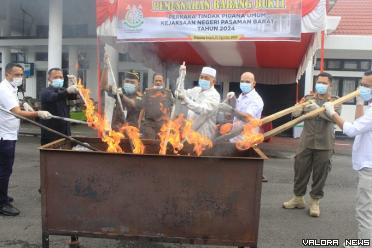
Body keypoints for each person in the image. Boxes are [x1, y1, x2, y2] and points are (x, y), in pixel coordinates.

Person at [282, 72, 341, 217]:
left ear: (330, 85)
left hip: (325, 143)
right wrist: (296, 110)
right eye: (318, 82)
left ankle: (315, 201)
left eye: (324, 83)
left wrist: (317, 110)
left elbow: (333, 119)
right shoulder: (308, 99)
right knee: (300, 170)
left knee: (321, 174)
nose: (320, 85)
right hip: (306, 141)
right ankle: (298, 198)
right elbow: (296, 113)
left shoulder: (336, 101)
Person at [324, 71, 372, 247]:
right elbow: (360, 123)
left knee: (364, 211)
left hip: (369, 168)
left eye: (367, 86)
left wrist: (332, 114)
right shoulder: (370, 107)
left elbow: (351, 130)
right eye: (362, 84)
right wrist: (360, 102)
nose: (362, 88)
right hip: (367, 166)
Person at [0, 63, 51, 216]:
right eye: (16, 74)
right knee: (4, 170)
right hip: (4, 137)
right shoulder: (4, 89)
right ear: (7, 74)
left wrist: (25, 104)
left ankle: (2, 196)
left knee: (4, 169)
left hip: (9, 134)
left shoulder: (11, 88)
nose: (19, 77)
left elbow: (16, 105)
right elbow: (17, 113)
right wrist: (38, 113)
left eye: (21, 74)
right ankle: (2, 203)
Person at [176, 66, 221, 139]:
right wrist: (182, 76)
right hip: (190, 131)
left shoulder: (215, 95)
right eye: (201, 77)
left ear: (214, 81)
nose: (203, 80)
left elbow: (203, 110)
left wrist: (186, 100)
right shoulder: (196, 90)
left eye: (206, 78)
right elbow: (180, 92)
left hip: (204, 134)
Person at [219, 72, 264, 141]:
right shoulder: (241, 96)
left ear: (254, 83)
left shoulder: (256, 99)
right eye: (242, 81)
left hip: (246, 140)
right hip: (235, 137)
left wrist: (230, 109)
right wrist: (232, 101)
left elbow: (247, 117)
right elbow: (234, 115)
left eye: (247, 82)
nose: (244, 84)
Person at [39, 68, 79, 145]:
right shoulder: (45, 92)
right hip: (51, 133)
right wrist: (67, 91)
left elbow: (76, 96)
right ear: (49, 79)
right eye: (55, 77)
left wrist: (76, 85)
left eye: (61, 77)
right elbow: (55, 97)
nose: (59, 79)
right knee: (52, 155)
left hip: (65, 130)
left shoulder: (62, 90)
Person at [140, 73, 173, 139]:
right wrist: (139, 122)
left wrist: (169, 122)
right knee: (150, 142)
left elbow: (171, 109)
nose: (158, 82)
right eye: (156, 80)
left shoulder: (168, 93)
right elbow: (142, 108)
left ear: (163, 82)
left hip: (162, 123)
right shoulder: (147, 92)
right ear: (153, 81)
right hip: (149, 123)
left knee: (160, 143)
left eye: (160, 81)